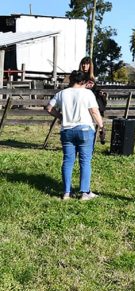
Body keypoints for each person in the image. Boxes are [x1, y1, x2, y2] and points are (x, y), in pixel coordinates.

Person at [45, 70, 106, 201]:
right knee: (85, 161)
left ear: (71, 80)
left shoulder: (62, 93)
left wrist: (60, 116)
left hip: (67, 131)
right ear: (83, 81)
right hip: (85, 130)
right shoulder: (87, 93)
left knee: (68, 161)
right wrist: (101, 126)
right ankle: (85, 193)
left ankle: (66, 192)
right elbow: (94, 111)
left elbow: (49, 108)